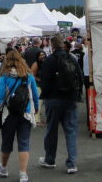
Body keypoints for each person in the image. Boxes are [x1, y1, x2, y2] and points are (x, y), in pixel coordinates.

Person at [0, 50, 39, 182]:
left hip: (8, 114)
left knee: (7, 143)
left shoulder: (4, 77)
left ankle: (3, 168)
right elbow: (35, 95)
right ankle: (23, 174)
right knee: (24, 144)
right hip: (25, 113)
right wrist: (36, 109)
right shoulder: (28, 76)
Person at [39, 34, 83, 174]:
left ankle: (50, 159)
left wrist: (45, 94)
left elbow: (44, 82)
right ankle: (71, 163)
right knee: (70, 131)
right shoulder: (72, 59)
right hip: (70, 98)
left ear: (52, 46)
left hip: (53, 98)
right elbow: (80, 78)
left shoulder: (49, 61)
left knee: (51, 130)